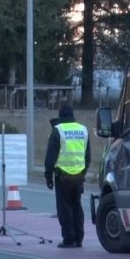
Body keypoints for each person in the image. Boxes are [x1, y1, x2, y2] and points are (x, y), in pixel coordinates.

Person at [44, 104, 91, 248]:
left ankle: (69, 239)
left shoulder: (58, 131)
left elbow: (50, 156)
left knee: (65, 209)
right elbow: (87, 156)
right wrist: (83, 172)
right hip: (78, 177)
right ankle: (79, 238)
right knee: (77, 206)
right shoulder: (83, 130)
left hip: (63, 176)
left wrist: (48, 175)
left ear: (60, 116)